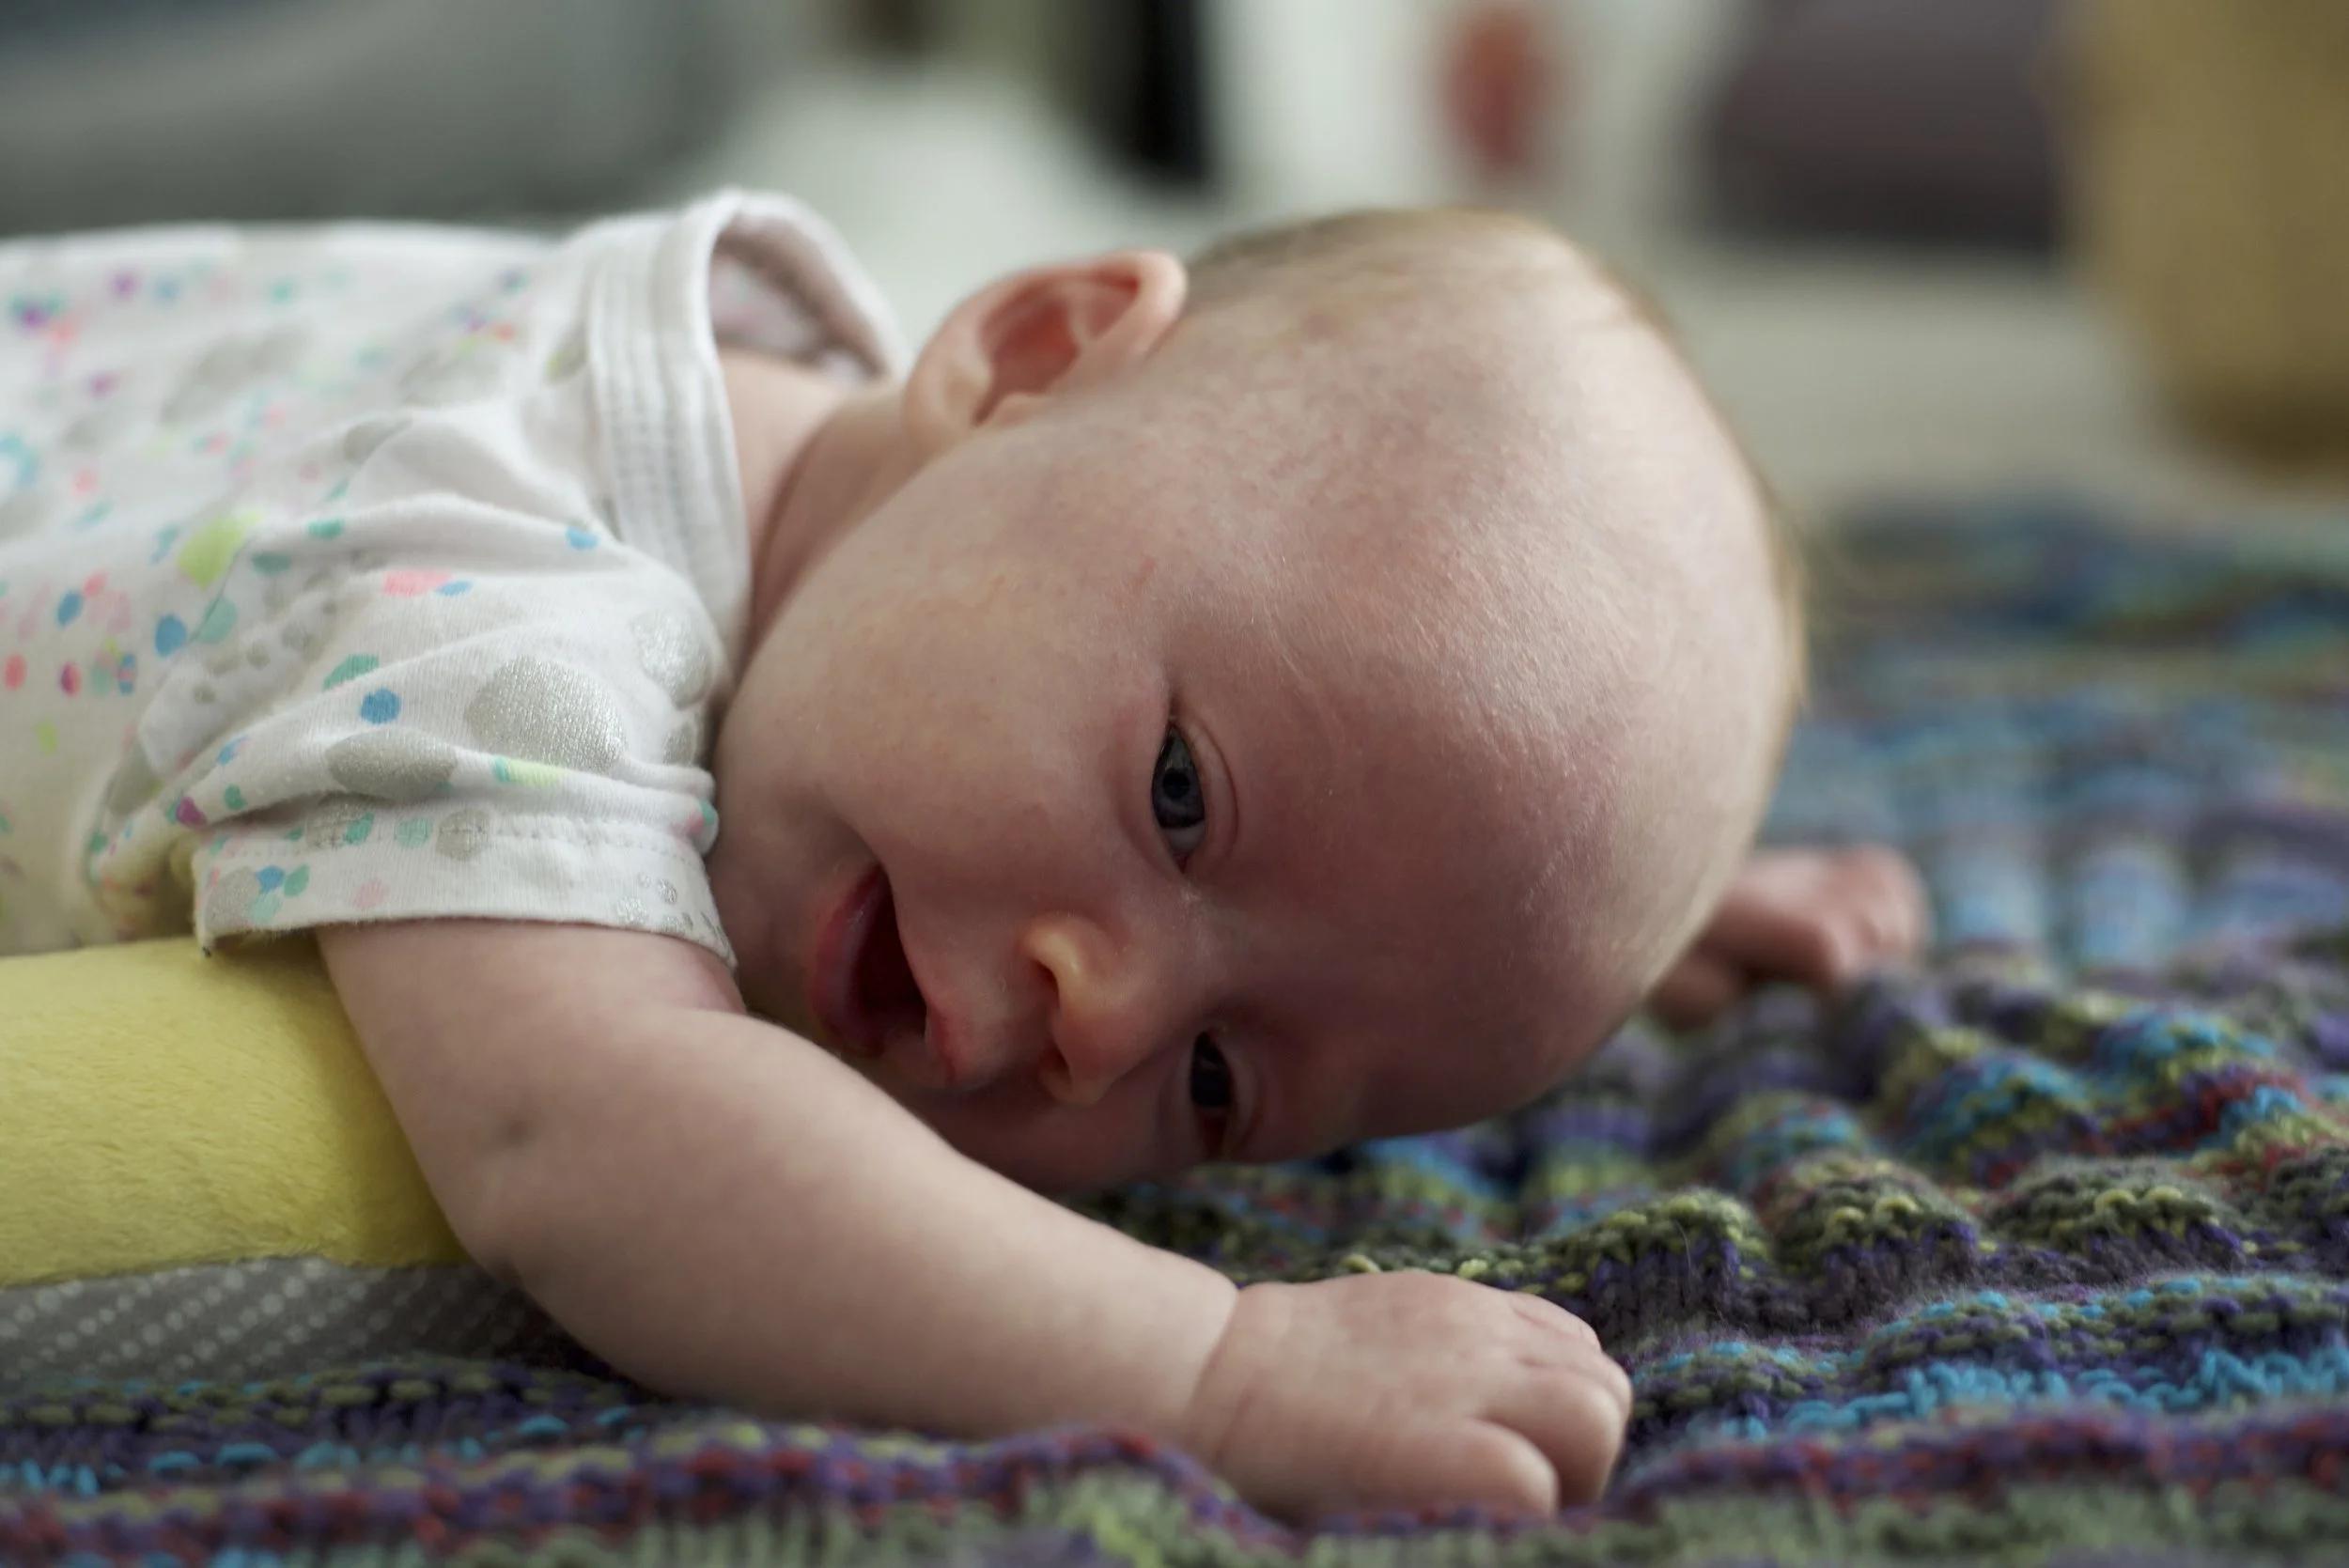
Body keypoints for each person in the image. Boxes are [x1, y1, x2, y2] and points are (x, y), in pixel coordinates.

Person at [0, 193, 1925, 1519]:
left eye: (1217, 1081)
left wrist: (1513, 924)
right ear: (1027, 349)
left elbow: (1405, 791)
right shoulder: (504, 589)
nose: (1105, 1014)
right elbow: (582, 1143)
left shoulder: (884, 488)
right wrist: (1212, 1369)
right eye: (1178, 797)